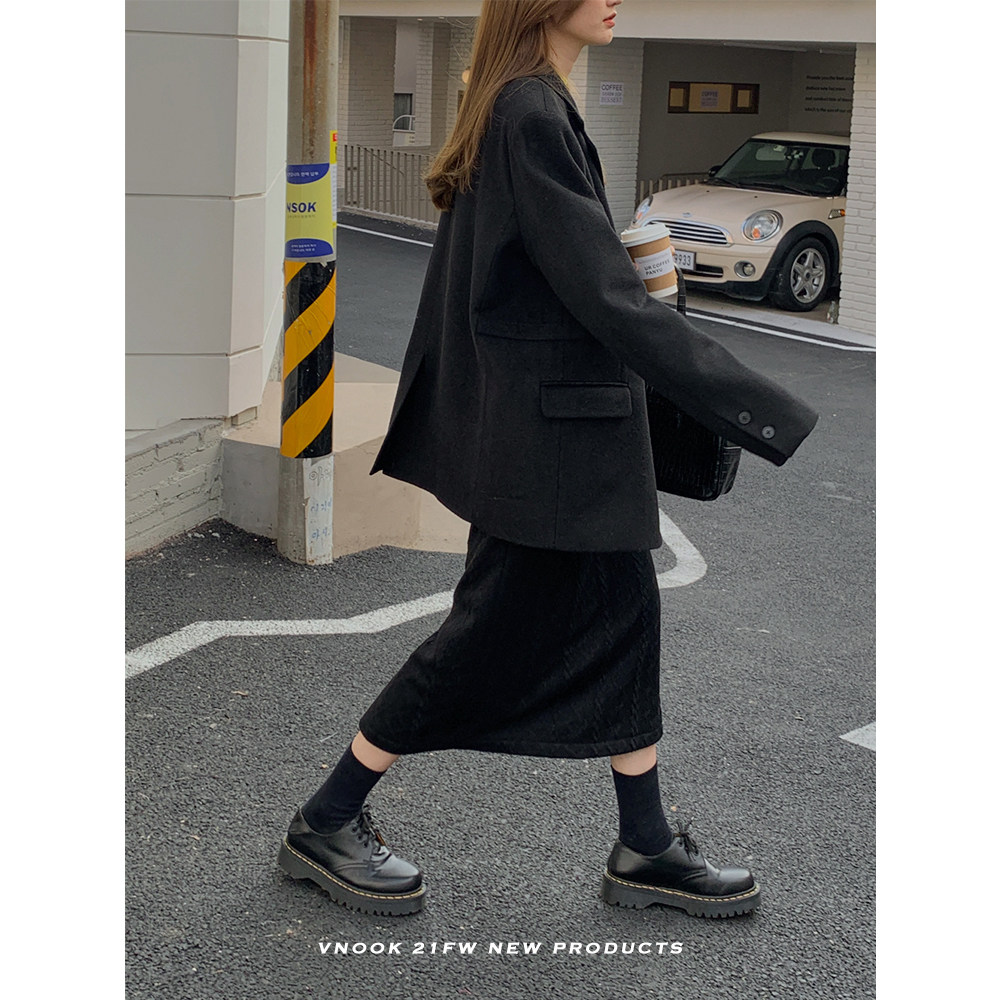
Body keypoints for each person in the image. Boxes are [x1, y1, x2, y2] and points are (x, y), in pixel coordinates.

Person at [277, 0, 818, 919]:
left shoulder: (524, 101)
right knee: (482, 638)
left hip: (566, 438)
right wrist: (753, 402)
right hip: (551, 450)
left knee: (628, 624)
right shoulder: (529, 109)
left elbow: (548, 281)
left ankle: (646, 844)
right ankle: (325, 821)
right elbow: (601, 296)